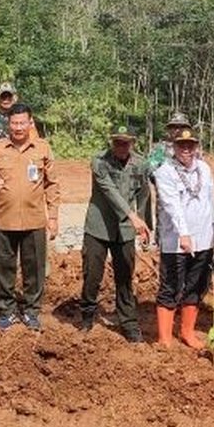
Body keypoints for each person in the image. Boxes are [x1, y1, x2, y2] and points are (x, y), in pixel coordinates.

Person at [0, 102, 61, 331]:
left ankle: (31, 311)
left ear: (30, 123)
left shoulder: (42, 148)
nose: (18, 127)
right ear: (8, 124)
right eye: (14, 123)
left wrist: (52, 217)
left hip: (34, 221)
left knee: (34, 268)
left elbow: (52, 184)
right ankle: (6, 310)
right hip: (3, 221)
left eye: (22, 123)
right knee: (4, 268)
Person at [81, 125, 151, 342]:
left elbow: (143, 195)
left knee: (124, 278)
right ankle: (87, 316)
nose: (121, 146)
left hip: (125, 231)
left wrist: (146, 226)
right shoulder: (99, 162)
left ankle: (128, 322)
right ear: (111, 142)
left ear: (133, 143)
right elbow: (110, 193)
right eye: (117, 142)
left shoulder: (141, 164)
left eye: (125, 142)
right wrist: (132, 215)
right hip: (98, 227)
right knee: (92, 276)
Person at [153, 127, 214, 349]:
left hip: (203, 238)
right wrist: (184, 233)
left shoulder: (204, 169)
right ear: (175, 147)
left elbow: (211, 200)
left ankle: (188, 333)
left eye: (191, 146)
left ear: (196, 147)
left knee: (195, 286)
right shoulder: (165, 172)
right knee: (170, 287)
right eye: (182, 145)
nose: (186, 150)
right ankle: (164, 338)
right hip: (176, 242)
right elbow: (172, 205)